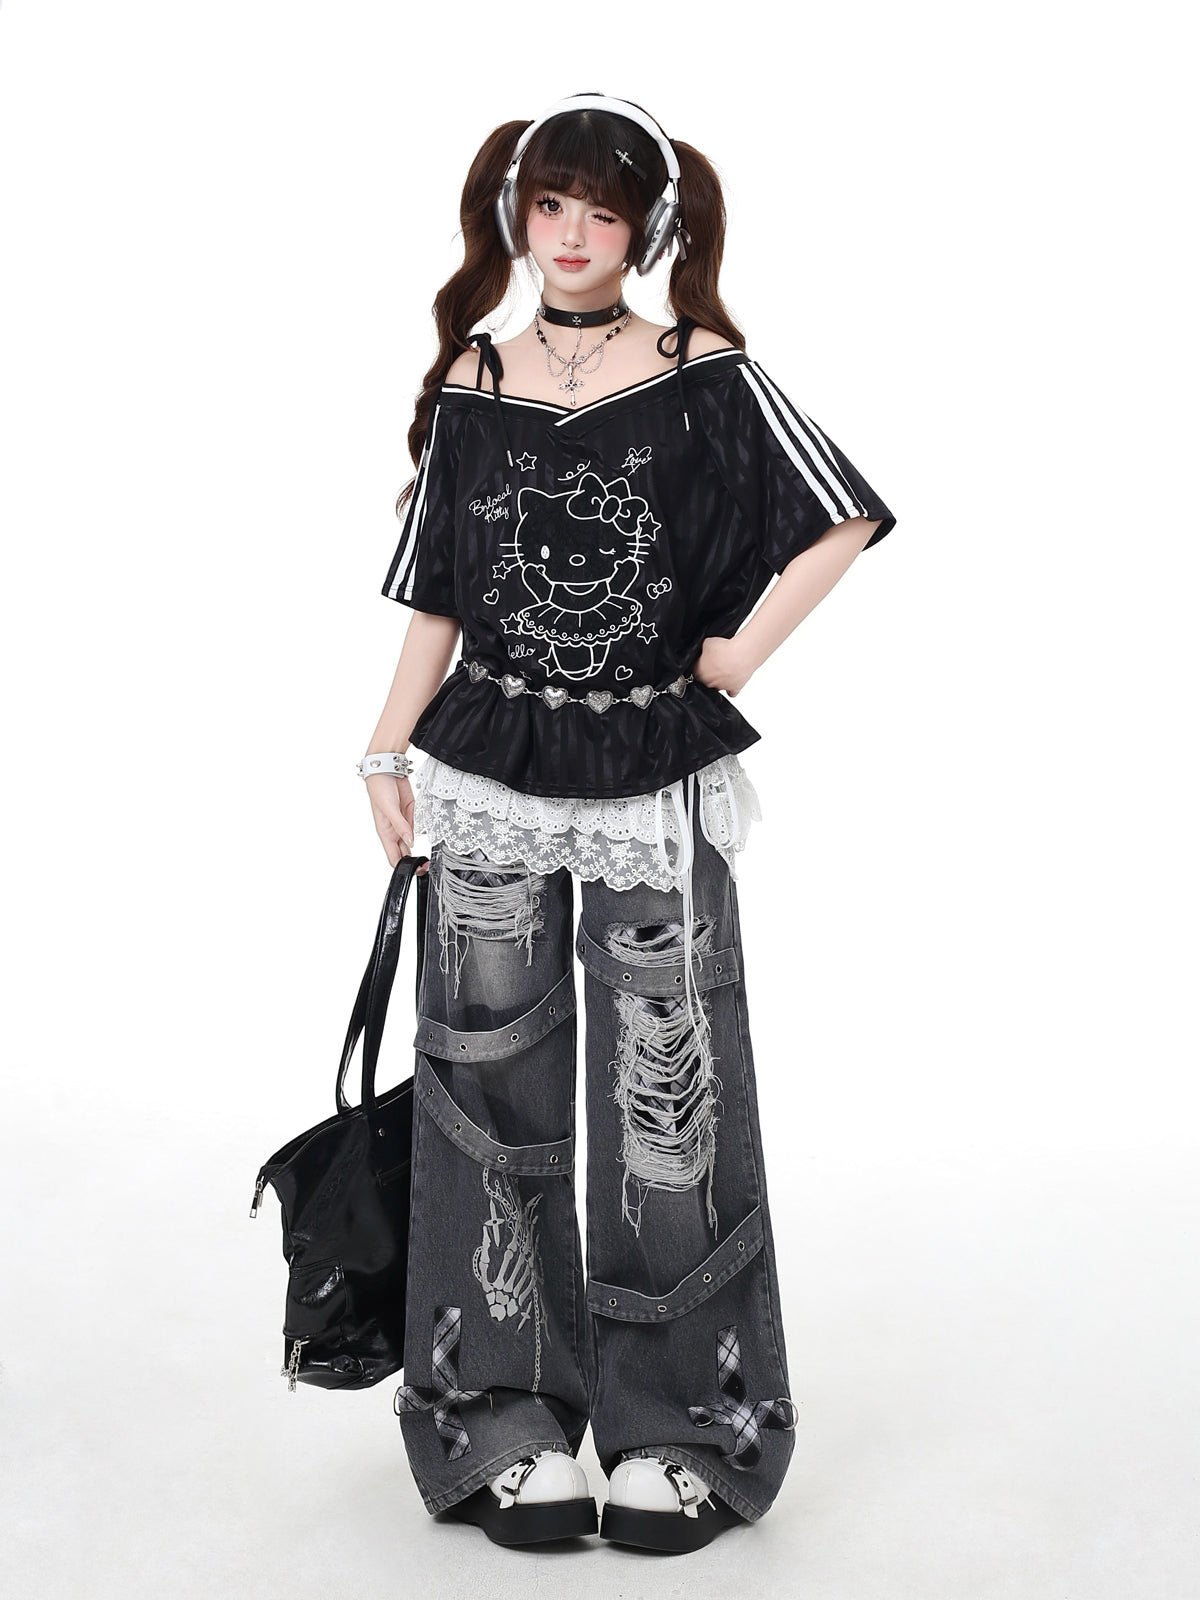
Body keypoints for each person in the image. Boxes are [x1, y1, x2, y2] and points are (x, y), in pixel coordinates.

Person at [361, 93, 896, 1554]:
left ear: (645, 226)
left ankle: (687, 1428)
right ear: (516, 215)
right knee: (486, 1083)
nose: (572, 235)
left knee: (673, 1090)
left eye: (602, 210)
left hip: (652, 776)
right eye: (551, 206)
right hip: (488, 767)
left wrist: (734, 659)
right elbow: (437, 588)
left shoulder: (701, 370)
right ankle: (498, 1419)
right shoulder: (477, 374)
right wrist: (384, 748)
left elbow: (840, 515)